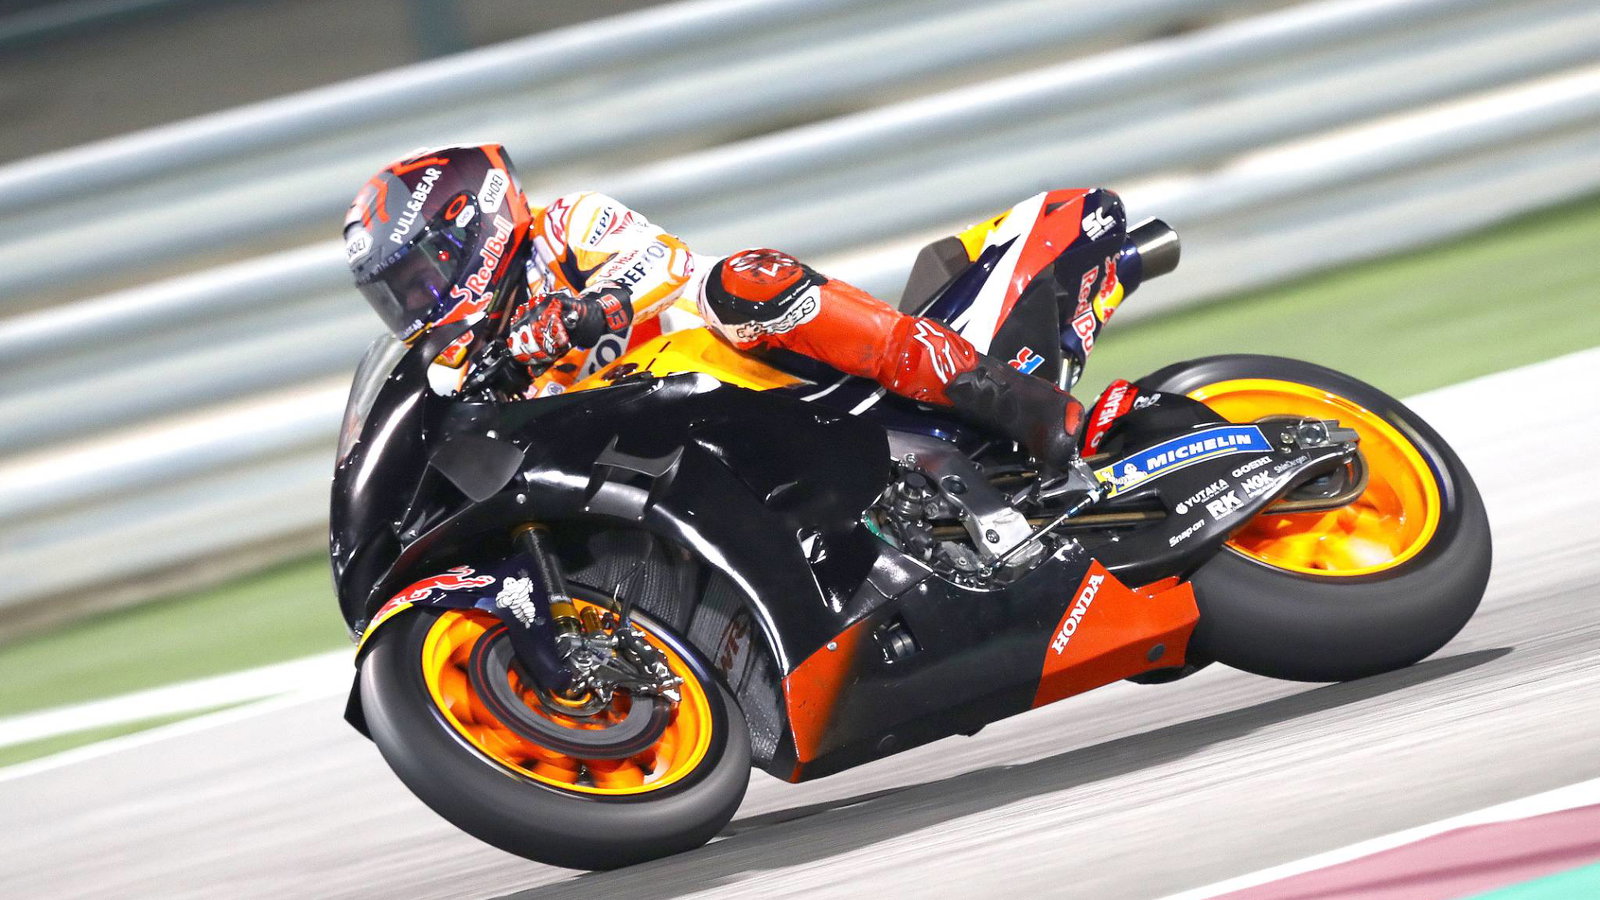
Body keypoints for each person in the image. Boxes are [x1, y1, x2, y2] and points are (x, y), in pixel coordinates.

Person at [343, 144, 1086, 471]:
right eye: (397, 296)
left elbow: (660, 263)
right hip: (663, 459)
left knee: (743, 282)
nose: (414, 305)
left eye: (417, 279)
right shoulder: (465, 362)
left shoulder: (565, 227)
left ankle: (1010, 399)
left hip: (733, 372)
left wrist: (581, 314)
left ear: (470, 226)